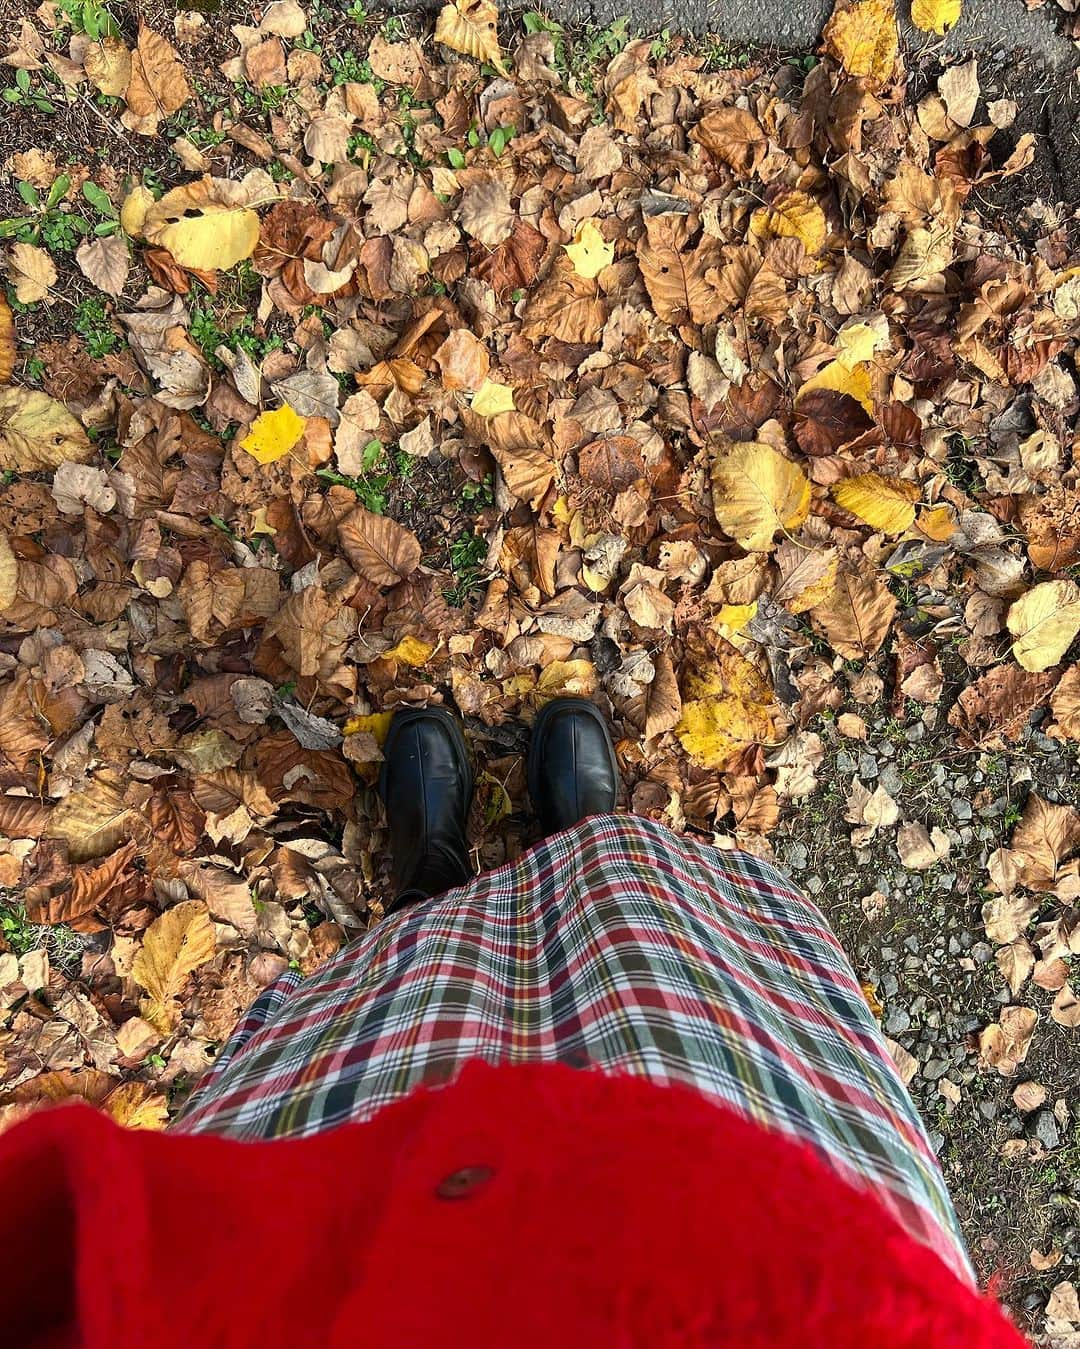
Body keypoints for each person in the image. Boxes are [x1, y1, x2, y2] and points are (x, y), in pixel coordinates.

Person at [1, 700, 1026, 1349]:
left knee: (392, 1025)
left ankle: (430, 887)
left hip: (293, 1298)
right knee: (654, 964)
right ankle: (589, 849)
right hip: (791, 1271)